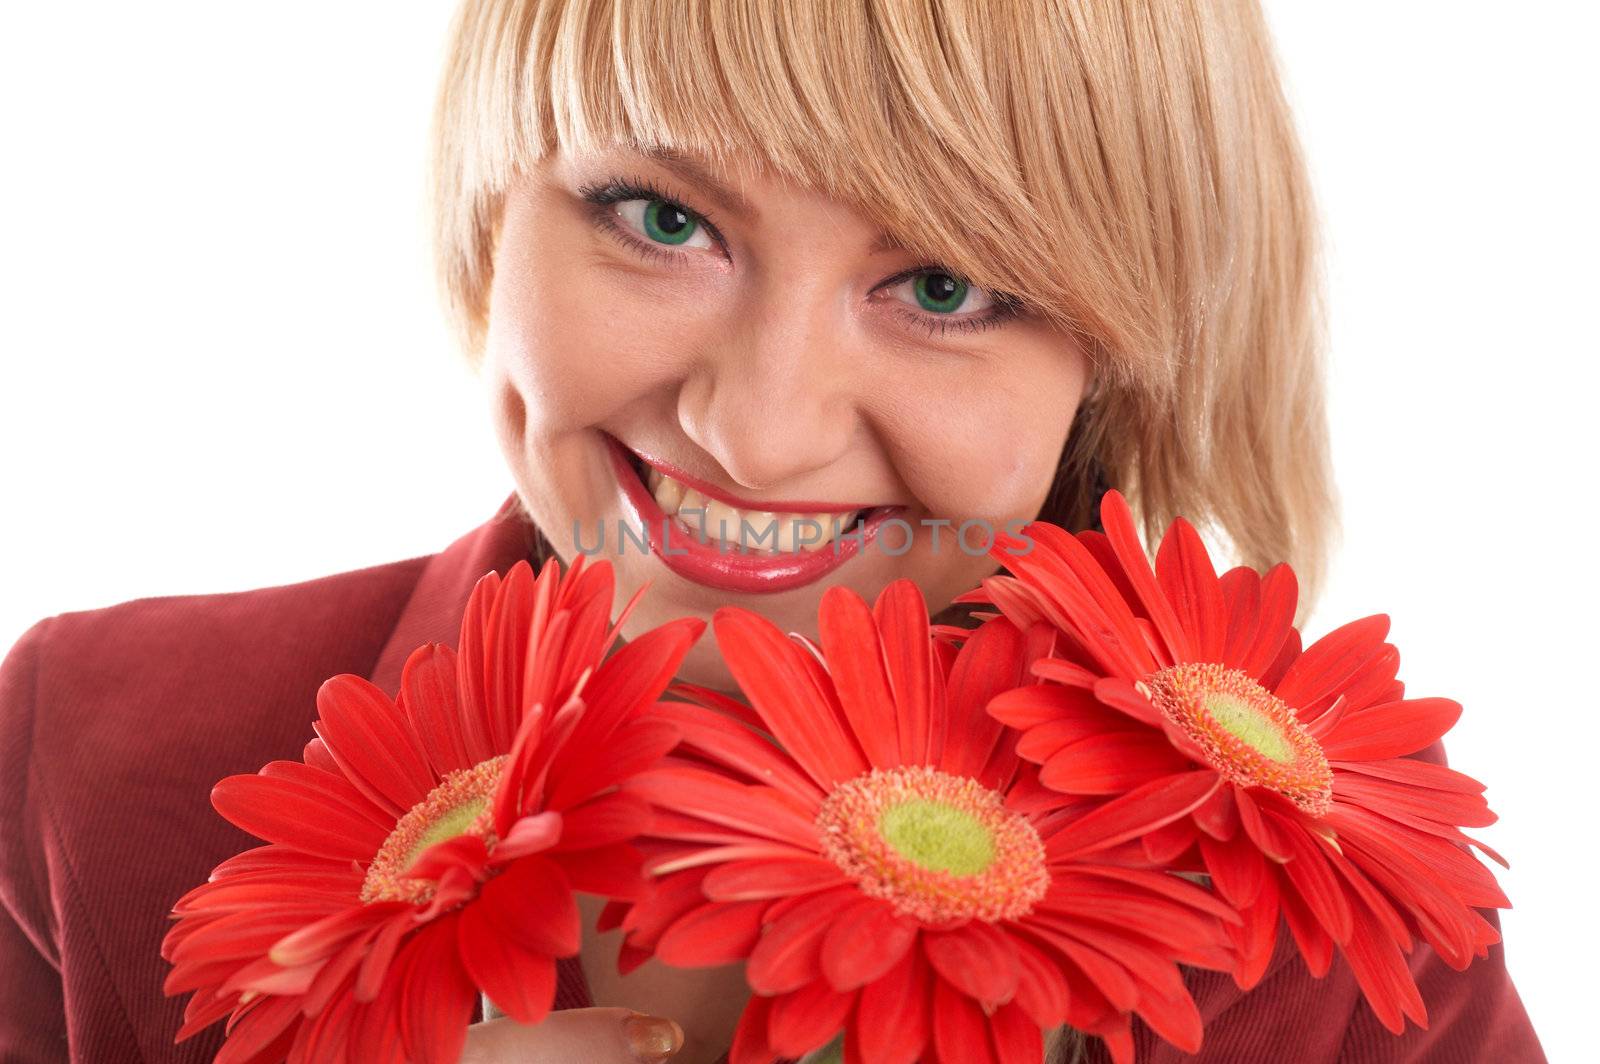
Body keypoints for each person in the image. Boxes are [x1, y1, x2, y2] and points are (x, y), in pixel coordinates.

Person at [0, 1, 1542, 1061]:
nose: (761, 427)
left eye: (944, 287)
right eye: (661, 220)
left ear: (1118, 361)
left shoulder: (1333, 929)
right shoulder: (98, 757)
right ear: (493, 207)